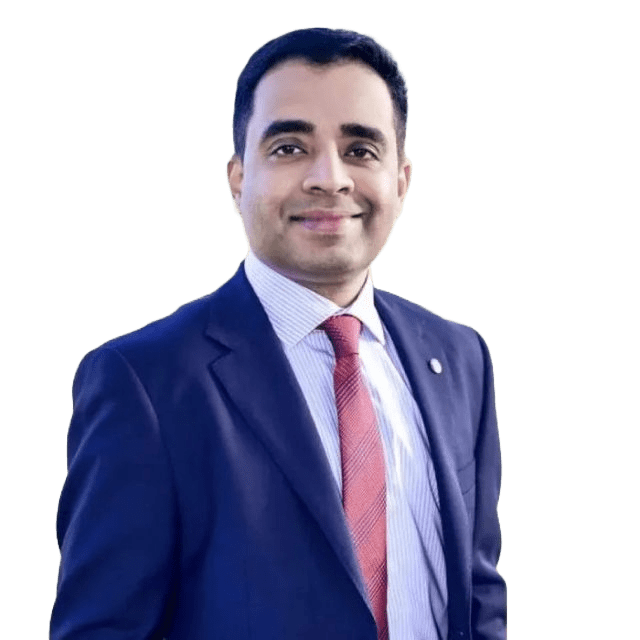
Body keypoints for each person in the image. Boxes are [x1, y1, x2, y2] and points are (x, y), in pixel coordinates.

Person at [50, 26, 506, 640]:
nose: (329, 178)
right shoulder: (145, 382)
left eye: (360, 150)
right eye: (290, 147)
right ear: (238, 178)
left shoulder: (459, 358)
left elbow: (477, 594)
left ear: (401, 179)